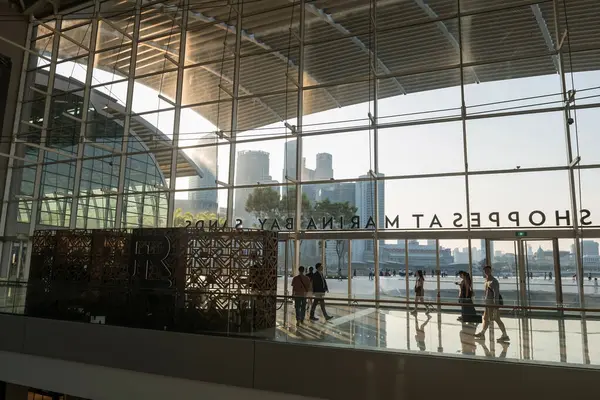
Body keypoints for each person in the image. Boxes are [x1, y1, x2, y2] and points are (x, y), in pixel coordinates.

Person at [474, 265, 509, 342]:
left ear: (490, 271)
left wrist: (496, 305)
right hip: (488, 304)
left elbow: (496, 294)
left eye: (488, 270)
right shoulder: (487, 281)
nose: (486, 272)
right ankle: (482, 333)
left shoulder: (494, 281)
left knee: (497, 319)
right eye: (485, 270)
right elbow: (487, 293)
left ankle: (505, 335)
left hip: (492, 304)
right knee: (486, 318)